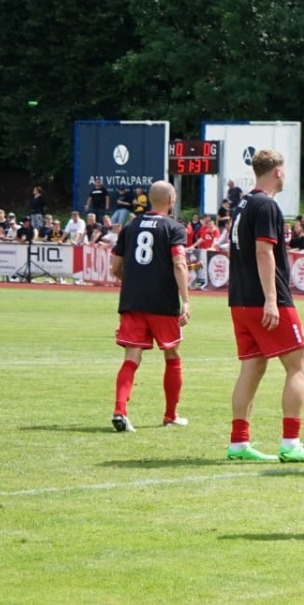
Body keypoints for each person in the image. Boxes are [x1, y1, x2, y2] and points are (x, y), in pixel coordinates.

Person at [226, 149, 304, 463]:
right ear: (278, 172)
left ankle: (238, 443)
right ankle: (291, 443)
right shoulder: (266, 205)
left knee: (252, 367)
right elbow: (263, 252)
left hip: (240, 299)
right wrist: (271, 299)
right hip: (266, 298)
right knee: (298, 365)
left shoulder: (242, 204)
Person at [109, 181, 190, 432]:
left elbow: (115, 268)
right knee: (172, 356)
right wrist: (186, 300)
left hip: (133, 301)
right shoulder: (174, 227)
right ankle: (170, 415)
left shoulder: (131, 226)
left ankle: (120, 411)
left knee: (131, 358)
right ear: (171, 200)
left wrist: (134, 283)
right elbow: (179, 263)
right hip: (162, 302)